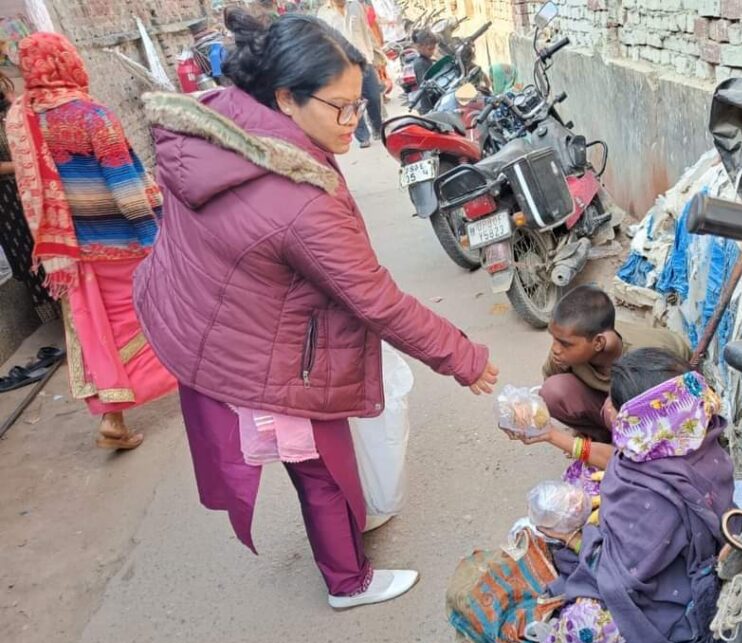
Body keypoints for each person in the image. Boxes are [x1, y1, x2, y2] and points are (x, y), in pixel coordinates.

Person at [134, 10, 498, 610]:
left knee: (316, 464)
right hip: (259, 345)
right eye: (341, 108)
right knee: (321, 466)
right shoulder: (299, 201)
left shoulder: (219, 125)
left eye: (360, 105)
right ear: (285, 97)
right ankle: (347, 582)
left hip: (212, 318)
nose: (355, 125)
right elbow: (375, 298)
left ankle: (348, 550)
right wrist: (464, 356)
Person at [7, 34, 176, 449]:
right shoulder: (90, 115)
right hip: (121, 241)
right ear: (68, 62)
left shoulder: (22, 120)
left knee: (96, 328)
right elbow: (123, 183)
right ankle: (196, 380)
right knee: (153, 311)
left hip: (68, 251)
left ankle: (113, 417)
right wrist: (156, 239)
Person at [541, 348, 735, 643]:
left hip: (670, 591)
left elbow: (626, 574)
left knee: (577, 630)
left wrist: (574, 539)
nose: (609, 411)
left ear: (640, 421)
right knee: (581, 482)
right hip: (677, 549)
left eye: (615, 407)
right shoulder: (695, 439)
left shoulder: (651, 494)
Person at [540, 285, 691, 442]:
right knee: (552, 391)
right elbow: (550, 379)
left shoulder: (643, 360)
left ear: (598, 343)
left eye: (564, 344)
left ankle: (626, 452)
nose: (555, 349)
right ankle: (601, 439)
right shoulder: (575, 341)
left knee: (611, 408)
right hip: (615, 401)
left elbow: (674, 404)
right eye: (554, 339)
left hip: (659, 398)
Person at [0, 72, 57, 323]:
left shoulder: (8, 103)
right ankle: (53, 319)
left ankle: (71, 311)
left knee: (48, 244)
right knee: (29, 255)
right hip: (7, 199)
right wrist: (24, 164)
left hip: (29, 188)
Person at [317, 0, 383, 148]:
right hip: (341, 66)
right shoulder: (323, 14)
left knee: (373, 95)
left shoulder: (355, 6)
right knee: (351, 101)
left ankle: (377, 127)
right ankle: (362, 136)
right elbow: (323, 43)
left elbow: (366, 31)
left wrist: (375, 55)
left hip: (364, 59)